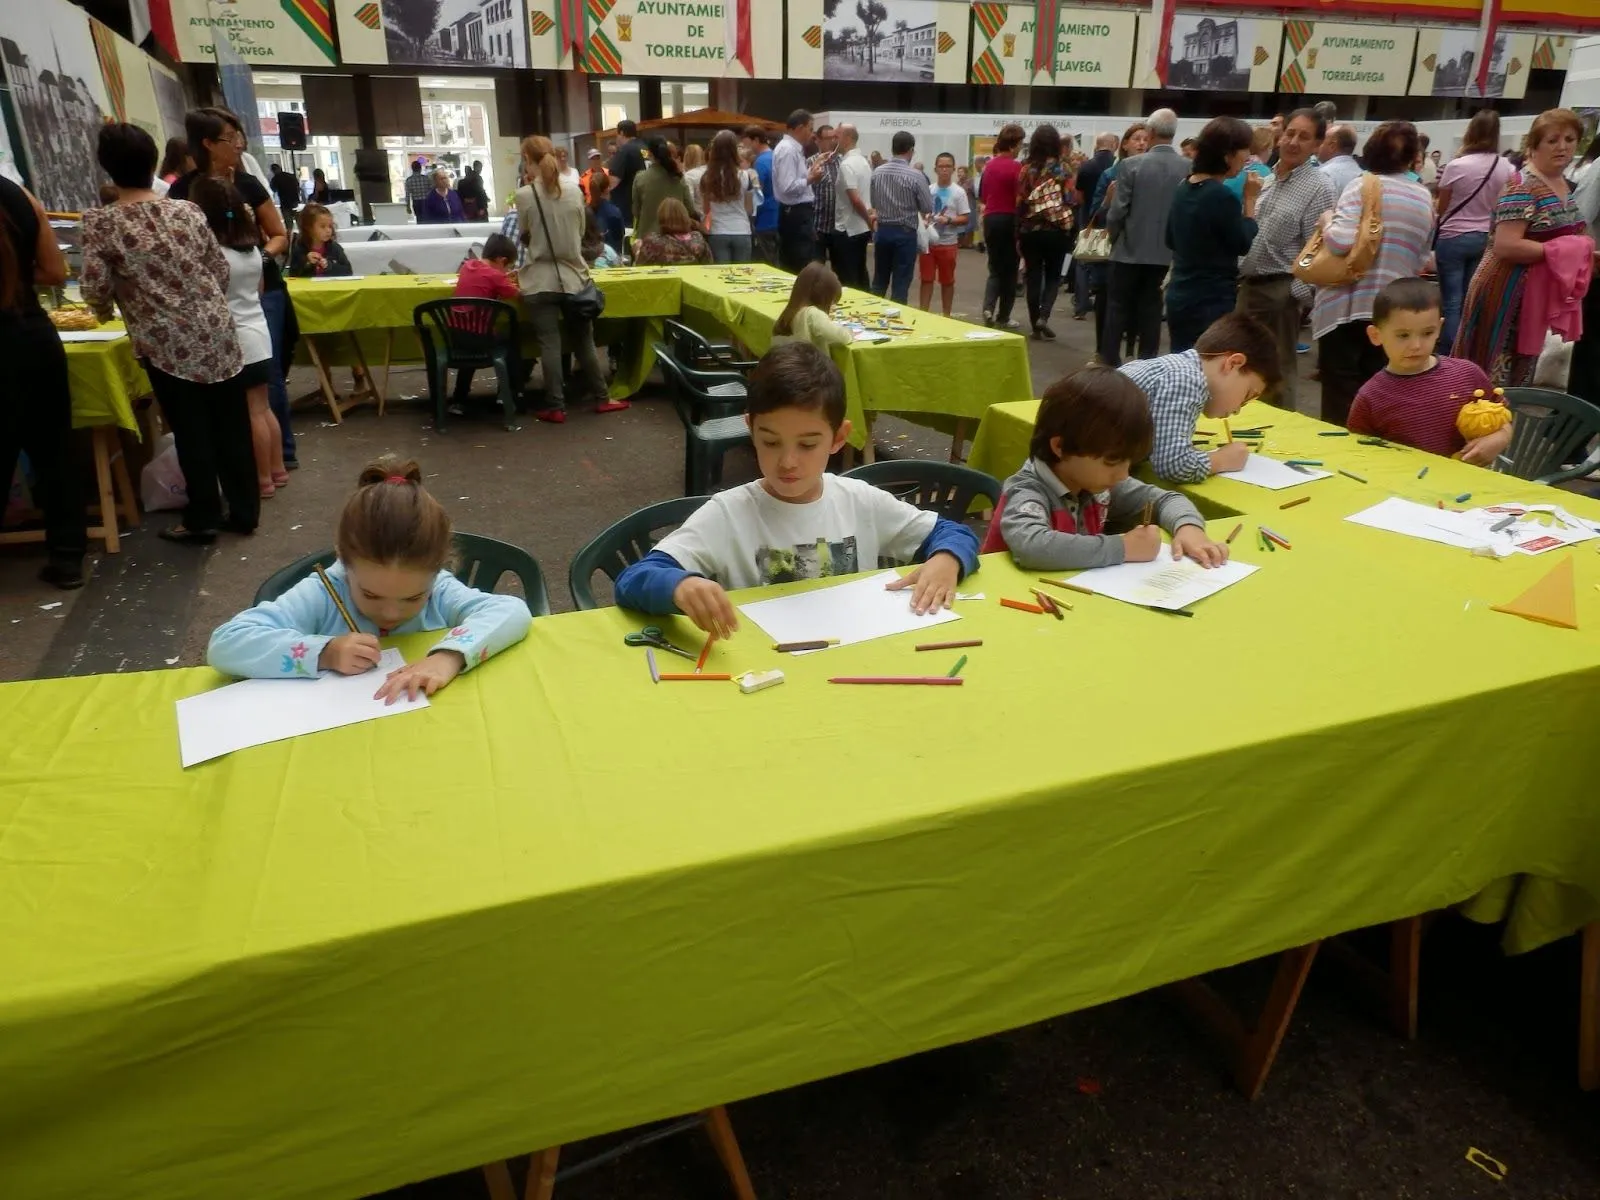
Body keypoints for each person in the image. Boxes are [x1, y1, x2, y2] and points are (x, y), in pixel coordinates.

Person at [612, 342, 980, 635]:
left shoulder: (859, 501)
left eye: (807, 445)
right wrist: (680, 585)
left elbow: (951, 532)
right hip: (764, 674)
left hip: (856, 660)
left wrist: (946, 560)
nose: (788, 462)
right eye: (771, 442)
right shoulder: (728, 514)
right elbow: (633, 579)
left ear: (838, 438)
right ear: (751, 429)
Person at [206, 457, 531, 700]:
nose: (391, 614)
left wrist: (448, 658)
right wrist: (326, 652)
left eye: (413, 598)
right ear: (344, 561)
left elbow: (512, 611)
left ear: (438, 569)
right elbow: (225, 644)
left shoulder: (440, 589)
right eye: (372, 595)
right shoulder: (323, 591)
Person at [82, 123, 256, 544]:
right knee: (231, 424)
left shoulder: (103, 224)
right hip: (216, 332)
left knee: (191, 429)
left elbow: (94, 289)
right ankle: (245, 510)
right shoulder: (187, 211)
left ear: (106, 167)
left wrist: (109, 309)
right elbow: (218, 269)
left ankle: (203, 518)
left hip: (166, 345)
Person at [981, 367, 1225, 570]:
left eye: (1129, 462)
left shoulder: (1096, 482)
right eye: (1112, 461)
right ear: (1060, 447)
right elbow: (1032, 547)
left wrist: (1189, 528)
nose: (1123, 474)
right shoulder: (1028, 491)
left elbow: (1165, 500)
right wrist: (1123, 548)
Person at [168, 107, 296, 470]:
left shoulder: (249, 185)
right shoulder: (182, 190)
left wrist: (253, 261)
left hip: (256, 293)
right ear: (207, 144)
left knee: (264, 385)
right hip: (211, 301)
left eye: (239, 138)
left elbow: (279, 236)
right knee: (238, 394)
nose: (238, 146)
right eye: (230, 139)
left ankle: (279, 458)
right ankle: (257, 467)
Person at [1454, 109, 1590, 388]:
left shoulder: (1563, 184)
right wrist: (1565, 252)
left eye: (1569, 139)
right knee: (1490, 371)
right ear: (1534, 145)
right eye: (1552, 140)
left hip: (1534, 294)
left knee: (1520, 373)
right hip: (1505, 290)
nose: (1562, 146)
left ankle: (1506, 427)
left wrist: (1585, 255)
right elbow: (1506, 245)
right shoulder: (1522, 186)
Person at [1312, 121, 1436, 424]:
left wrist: (1326, 220)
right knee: (1379, 388)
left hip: (1347, 303)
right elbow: (1423, 259)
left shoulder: (1363, 185)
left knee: (1341, 390)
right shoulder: (1423, 198)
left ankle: (1337, 455)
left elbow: (1341, 241)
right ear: (1412, 157)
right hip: (1392, 310)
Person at [0, 175, 85, 587]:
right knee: (55, 452)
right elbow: (54, 270)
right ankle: (68, 558)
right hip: (30, 336)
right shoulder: (21, 198)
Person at [191, 176, 286, 498]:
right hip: (258, 332)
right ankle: (277, 469)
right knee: (263, 408)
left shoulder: (214, 254)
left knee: (250, 413)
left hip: (236, 339)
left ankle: (261, 480)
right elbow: (258, 290)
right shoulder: (251, 251)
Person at [1235, 108, 1335, 411]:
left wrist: (1296, 294)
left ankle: (1281, 442)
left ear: (1317, 145)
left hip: (1279, 292)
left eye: (1304, 137)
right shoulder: (1267, 179)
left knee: (1276, 372)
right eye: (1290, 133)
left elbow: (1317, 248)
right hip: (1249, 289)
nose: (1293, 141)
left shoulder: (1319, 187)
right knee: (1243, 368)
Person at [516, 134, 620, 423]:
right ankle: (602, 397)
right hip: (574, 276)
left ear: (527, 160)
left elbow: (525, 236)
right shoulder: (575, 190)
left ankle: (555, 405)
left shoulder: (525, 195)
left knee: (548, 343)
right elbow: (579, 231)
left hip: (539, 278)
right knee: (584, 340)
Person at [1348, 278, 1505, 463]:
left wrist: (1497, 439)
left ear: (1439, 328)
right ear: (1376, 335)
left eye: (1427, 333)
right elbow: (1357, 454)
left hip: (1469, 484)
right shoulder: (1371, 398)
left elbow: (1504, 420)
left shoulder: (1467, 375)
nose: (1416, 345)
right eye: (1403, 335)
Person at [1119, 313, 1280, 483]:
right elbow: (1174, 465)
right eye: (1247, 395)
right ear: (1233, 363)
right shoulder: (1186, 379)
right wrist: (1222, 459)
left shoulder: (1177, 368)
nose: (1238, 410)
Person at [1166, 117, 1260, 354]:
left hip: (1180, 293)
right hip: (1211, 298)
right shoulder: (1221, 196)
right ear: (1227, 154)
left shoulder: (1183, 187)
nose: (1247, 157)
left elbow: (1169, 238)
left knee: (1182, 365)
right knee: (1209, 366)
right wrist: (1250, 201)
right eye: (1244, 150)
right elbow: (1242, 242)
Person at [1104, 109, 1188, 364]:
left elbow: (1118, 211)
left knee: (1118, 306)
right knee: (1151, 309)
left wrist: (1113, 236)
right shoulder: (1188, 167)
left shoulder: (1131, 165)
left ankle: (1110, 359)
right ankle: (1148, 361)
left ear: (1150, 133)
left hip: (1128, 248)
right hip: (1166, 252)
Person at [1435, 110, 1517, 351]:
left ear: (1470, 131)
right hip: (1484, 237)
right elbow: (1504, 206)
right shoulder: (1508, 169)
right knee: (1471, 300)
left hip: (1452, 237)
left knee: (1451, 301)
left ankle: (1447, 351)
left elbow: (1442, 207)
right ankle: (1465, 349)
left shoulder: (1456, 165)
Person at [1085, 124, 1149, 359]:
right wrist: (1107, 202)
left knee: (1137, 303)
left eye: (1145, 139)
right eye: (1136, 139)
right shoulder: (1110, 175)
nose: (1141, 143)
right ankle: (1103, 351)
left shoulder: (1152, 174)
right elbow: (1094, 215)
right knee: (1106, 300)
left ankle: (1133, 352)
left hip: (1141, 247)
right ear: (1125, 144)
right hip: (1111, 248)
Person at [870, 131, 932, 304]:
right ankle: (895, 322)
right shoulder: (916, 175)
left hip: (882, 231)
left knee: (879, 281)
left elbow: (874, 202)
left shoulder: (877, 172)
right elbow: (927, 207)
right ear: (911, 150)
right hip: (905, 233)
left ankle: (873, 317)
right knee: (901, 284)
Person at [979, 123, 1025, 330]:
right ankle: (1004, 316)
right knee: (1010, 270)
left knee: (995, 268)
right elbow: (1020, 197)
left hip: (991, 218)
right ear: (1014, 145)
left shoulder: (989, 166)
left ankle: (987, 308)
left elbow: (983, 194)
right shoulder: (1017, 167)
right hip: (1009, 220)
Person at [1070, 132, 1117, 323]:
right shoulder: (1118, 166)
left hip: (1088, 218)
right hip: (1111, 219)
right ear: (1114, 145)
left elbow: (1078, 196)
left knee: (1085, 261)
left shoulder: (1086, 166)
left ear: (1097, 145)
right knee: (1109, 260)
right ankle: (1104, 303)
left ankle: (1081, 306)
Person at [772, 109, 825, 271]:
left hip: (795, 213)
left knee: (799, 260)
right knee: (799, 263)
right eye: (810, 129)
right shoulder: (788, 150)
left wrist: (812, 171)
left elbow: (793, 181)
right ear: (800, 128)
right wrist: (810, 179)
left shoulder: (792, 149)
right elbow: (787, 187)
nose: (812, 135)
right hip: (795, 214)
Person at [918, 151, 970, 317]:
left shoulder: (959, 192)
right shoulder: (929, 189)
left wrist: (949, 220)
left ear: (953, 169)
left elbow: (965, 218)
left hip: (948, 243)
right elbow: (921, 211)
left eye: (948, 166)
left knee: (947, 281)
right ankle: (923, 314)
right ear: (935, 169)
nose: (944, 170)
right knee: (926, 280)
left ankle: (946, 315)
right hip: (928, 243)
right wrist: (924, 220)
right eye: (941, 166)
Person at [699, 129, 756, 265]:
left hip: (718, 232)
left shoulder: (707, 177)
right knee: (741, 277)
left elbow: (706, 209)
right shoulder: (745, 176)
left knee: (722, 277)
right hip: (742, 231)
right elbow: (749, 209)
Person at [771, 262, 852, 352]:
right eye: (831, 301)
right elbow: (839, 336)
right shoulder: (813, 314)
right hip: (810, 364)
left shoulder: (792, 311)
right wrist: (849, 333)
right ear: (823, 296)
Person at [830, 123, 873, 289]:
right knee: (860, 272)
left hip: (847, 229)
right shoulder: (863, 162)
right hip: (860, 228)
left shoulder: (847, 165)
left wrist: (869, 219)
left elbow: (855, 199)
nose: (834, 140)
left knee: (848, 277)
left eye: (837, 136)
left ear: (847, 138)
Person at [631, 136, 696, 240]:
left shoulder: (640, 178)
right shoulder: (678, 177)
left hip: (647, 240)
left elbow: (636, 211)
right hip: (676, 239)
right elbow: (690, 208)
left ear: (649, 153)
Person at [634, 198, 712, 265]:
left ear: (661, 218)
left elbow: (641, 266)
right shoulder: (698, 239)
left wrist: (637, 251)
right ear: (685, 216)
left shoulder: (653, 242)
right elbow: (708, 265)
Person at [287, 203, 353, 277]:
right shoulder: (299, 249)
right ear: (309, 228)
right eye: (323, 226)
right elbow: (293, 274)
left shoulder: (335, 248)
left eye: (330, 226)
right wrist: (307, 263)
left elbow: (348, 271)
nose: (328, 230)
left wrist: (329, 266)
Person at [744, 126, 779, 265]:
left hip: (764, 219)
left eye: (748, 143)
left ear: (756, 140)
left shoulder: (760, 162)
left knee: (766, 262)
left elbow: (757, 193)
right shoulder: (776, 156)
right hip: (779, 216)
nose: (748, 148)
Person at [607, 120, 649, 229]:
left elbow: (613, 181)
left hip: (627, 209)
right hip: (646, 207)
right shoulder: (646, 148)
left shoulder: (624, 150)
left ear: (621, 133)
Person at [807, 123, 839, 266]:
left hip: (837, 227)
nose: (832, 141)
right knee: (816, 268)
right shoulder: (811, 163)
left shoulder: (841, 162)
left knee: (840, 269)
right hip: (817, 226)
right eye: (827, 138)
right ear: (818, 140)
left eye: (834, 138)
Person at [1318, 125, 1362, 201]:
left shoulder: (1324, 174)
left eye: (1322, 142)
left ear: (1332, 146)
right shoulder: (1361, 174)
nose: (1318, 146)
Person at [587, 172, 625, 258]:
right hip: (609, 260)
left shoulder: (584, 212)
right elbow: (619, 239)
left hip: (588, 261)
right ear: (607, 189)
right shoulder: (614, 213)